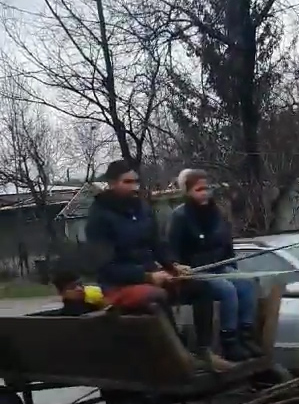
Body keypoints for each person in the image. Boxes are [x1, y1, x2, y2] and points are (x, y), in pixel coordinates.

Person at [85, 159, 232, 371]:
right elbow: (105, 266)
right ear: (112, 184)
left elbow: (158, 245)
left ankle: (204, 351)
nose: (135, 186)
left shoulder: (143, 209)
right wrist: (147, 276)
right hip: (117, 286)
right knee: (156, 296)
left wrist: (173, 265)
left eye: (136, 181)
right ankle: (178, 356)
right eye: (128, 182)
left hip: (149, 278)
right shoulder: (99, 218)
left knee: (201, 289)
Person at [168, 169, 262, 362]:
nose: (204, 193)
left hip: (219, 265)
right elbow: (172, 250)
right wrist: (178, 268)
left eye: (206, 188)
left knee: (246, 284)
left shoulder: (216, 213)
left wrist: (232, 266)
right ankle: (229, 341)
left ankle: (246, 336)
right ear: (188, 192)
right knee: (227, 290)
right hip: (196, 272)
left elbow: (226, 242)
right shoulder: (180, 217)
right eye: (198, 189)